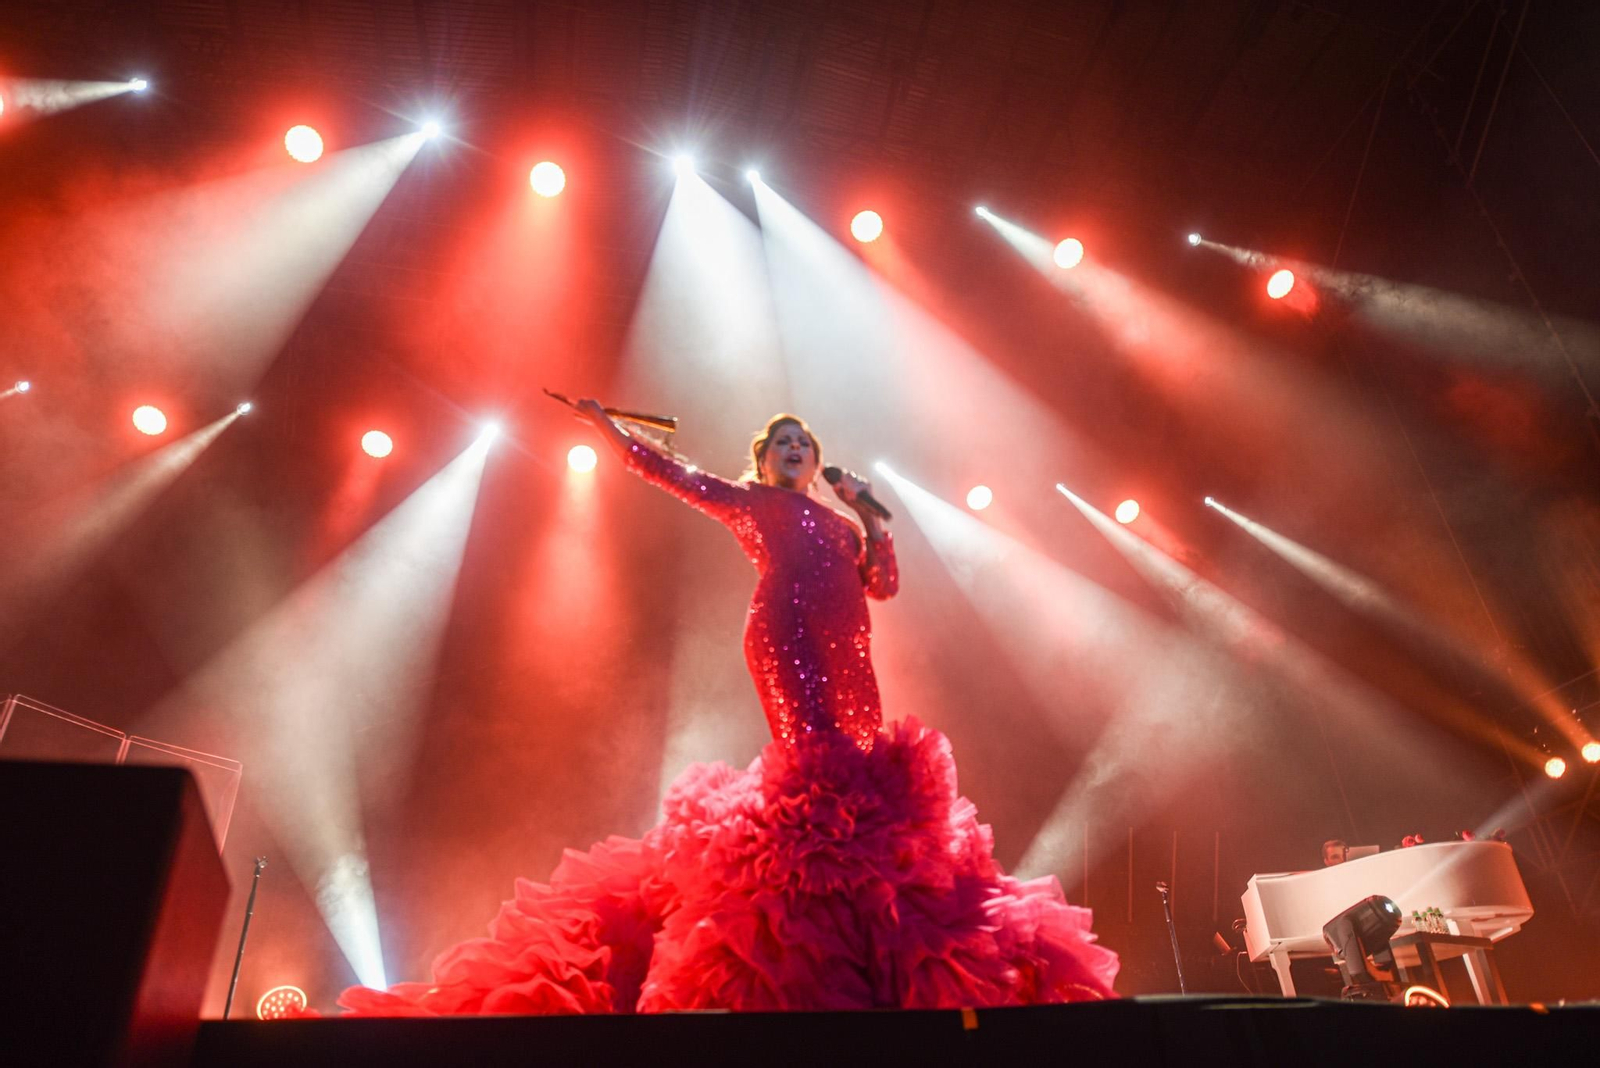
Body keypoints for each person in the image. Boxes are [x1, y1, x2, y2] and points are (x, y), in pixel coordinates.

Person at [337, 406, 1117, 1015]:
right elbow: (670, 473)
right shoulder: (752, 504)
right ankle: (805, 944)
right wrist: (609, 427)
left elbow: (884, 587)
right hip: (785, 632)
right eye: (781, 442)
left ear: (817, 462)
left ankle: (856, 930)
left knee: (864, 782)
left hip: (852, 649)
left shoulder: (844, 523)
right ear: (762, 458)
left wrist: (873, 516)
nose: (794, 451)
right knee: (814, 766)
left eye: (802, 445)